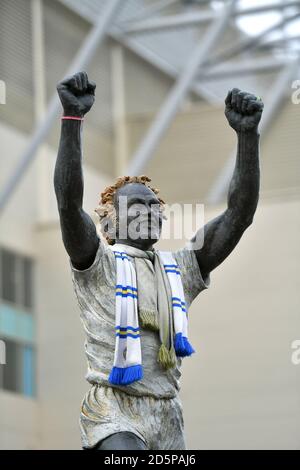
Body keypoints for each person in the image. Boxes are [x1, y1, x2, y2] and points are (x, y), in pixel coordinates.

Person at [54, 71, 263, 450]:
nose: (149, 212)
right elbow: (68, 204)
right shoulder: (97, 261)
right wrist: (72, 119)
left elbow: (239, 215)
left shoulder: (179, 268)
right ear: (109, 222)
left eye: (155, 208)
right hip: (112, 409)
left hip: (166, 412)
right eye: (136, 206)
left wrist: (247, 137)